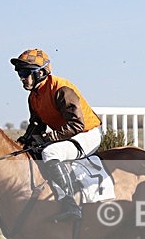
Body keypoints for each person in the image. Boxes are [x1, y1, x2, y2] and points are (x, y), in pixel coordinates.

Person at [12, 48, 103, 221]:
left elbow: (77, 124)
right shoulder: (34, 97)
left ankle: (70, 205)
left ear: (40, 72)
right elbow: (37, 125)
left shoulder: (61, 89)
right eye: (19, 73)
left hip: (87, 134)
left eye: (25, 72)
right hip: (68, 135)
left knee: (50, 152)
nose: (22, 77)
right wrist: (24, 141)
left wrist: (49, 139)